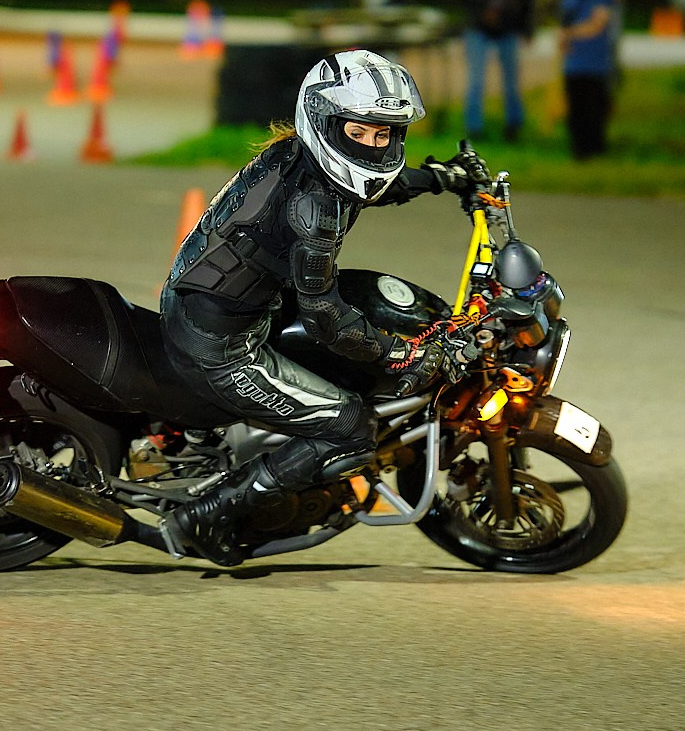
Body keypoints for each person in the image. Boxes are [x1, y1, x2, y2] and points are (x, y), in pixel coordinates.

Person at [160, 50, 479, 565]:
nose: (373, 146)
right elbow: (327, 319)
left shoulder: (304, 160)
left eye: (384, 134)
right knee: (349, 427)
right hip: (220, 344)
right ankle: (206, 515)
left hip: (226, 302)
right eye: (359, 132)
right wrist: (401, 354)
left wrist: (442, 177)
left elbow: (375, 187)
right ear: (325, 123)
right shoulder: (312, 207)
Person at [449, 0, 532, 141]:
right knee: (476, 79)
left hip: (508, 27)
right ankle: (474, 128)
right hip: (479, 27)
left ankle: (514, 125)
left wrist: (527, 27)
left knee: (511, 80)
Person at [558, 0, 631, 159]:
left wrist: (571, 33)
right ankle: (579, 150)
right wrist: (566, 40)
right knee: (576, 109)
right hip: (574, 63)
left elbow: (596, 25)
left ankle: (595, 148)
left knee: (595, 108)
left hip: (596, 62)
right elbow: (563, 28)